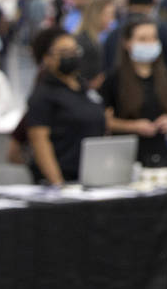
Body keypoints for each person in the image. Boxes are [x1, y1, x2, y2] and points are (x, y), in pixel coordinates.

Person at [22, 27, 106, 184]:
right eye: (64, 52)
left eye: (75, 51)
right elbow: (40, 142)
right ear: (47, 58)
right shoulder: (43, 95)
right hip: (63, 179)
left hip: (91, 177)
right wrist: (58, 184)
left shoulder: (85, 89)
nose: (72, 56)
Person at [100, 17, 167, 168]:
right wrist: (133, 126)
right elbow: (106, 121)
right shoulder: (114, 79)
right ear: (127, 43)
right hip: (127, 155)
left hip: (161, 155)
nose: (150, 43)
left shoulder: (166, 75)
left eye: (153, 38)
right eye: (143, 39)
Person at [103, 0, 167, 81]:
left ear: (127, 1)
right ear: (153, 1)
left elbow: (106, 69)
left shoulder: (113, 33)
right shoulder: (163, 31)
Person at [75, 0, 115, 89]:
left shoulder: (94, 40)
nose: (112, 19)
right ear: (96, 15)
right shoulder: (84, 41)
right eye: (109, 14)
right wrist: (88, 85)